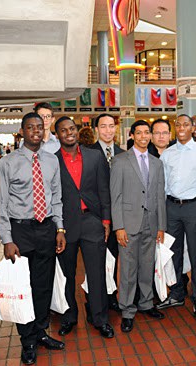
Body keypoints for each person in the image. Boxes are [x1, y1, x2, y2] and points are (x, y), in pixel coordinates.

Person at [0, 112, 66, 365]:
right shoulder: (8, 162)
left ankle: (41, 331)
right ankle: (28, 341)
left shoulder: (51, 161)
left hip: (46, 228)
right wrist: (6, 239)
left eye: (39, 127)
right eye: (30, 127)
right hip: (20, 232)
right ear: (22, 131)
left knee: (43, 285)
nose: (35, 130)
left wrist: (59, 229)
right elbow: (1, 203)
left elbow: (56, 197)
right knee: (23, 288)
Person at [54, 117, 114, 339]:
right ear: (57, 134)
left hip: (92, 221)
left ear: (77, 131)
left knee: (97, 273)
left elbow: (104, 191)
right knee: (67, 274)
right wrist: (57, 228)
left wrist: (106, 221)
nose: (68, 133)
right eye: (63, 130)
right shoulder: (53, 161)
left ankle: (100, 318)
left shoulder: (95, 157)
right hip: (65, 226)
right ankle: (69, 317)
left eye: (72, 129)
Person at [110, 120, 167, 333]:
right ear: (132, 135)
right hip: (128, 224)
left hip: (151, 223)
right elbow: (115, 197)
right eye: (139, 133)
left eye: (147, 132)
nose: (143, 136)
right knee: (127, 269)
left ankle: (145, 303)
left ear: (150, 136)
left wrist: (161, 225)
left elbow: (160, 195)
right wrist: (119, 227)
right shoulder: (120, 161)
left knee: (147, 265)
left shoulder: (157, 163)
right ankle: (127, 309)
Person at [157, 114, 196, 317]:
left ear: (192, 129)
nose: (181, 128)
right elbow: (162, 183)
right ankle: (177, 293)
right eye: (178, 124)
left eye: (185, 124)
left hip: (194, 207)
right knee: (174, 252)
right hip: (171, 207)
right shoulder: (167, 154)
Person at [89, 113, 124, 311]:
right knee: (96, 261)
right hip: (96, 217)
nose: (108, 130)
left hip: (117, 217)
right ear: (96, 130)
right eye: (103, 126)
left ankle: (111, 296)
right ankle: (96, 298)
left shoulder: (122, 153)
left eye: (111, 126)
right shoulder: (87, 152)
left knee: (114, 258)